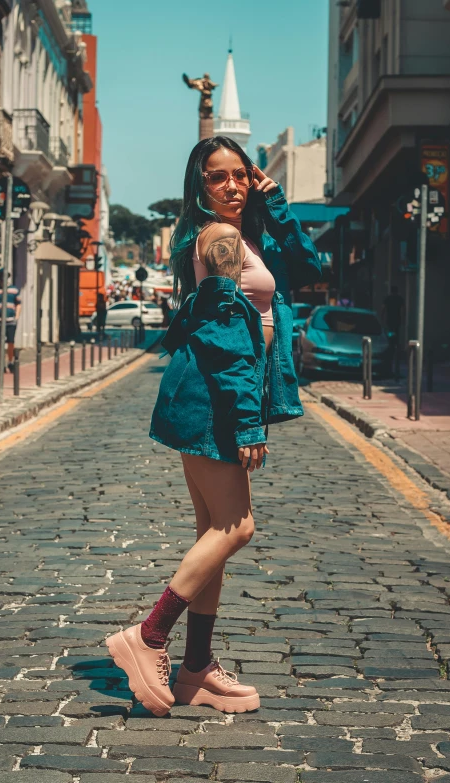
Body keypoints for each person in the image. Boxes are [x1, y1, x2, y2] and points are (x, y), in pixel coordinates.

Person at [106, 136, 321, 716]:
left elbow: (310, 269)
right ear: (198, 186)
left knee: (214, 538)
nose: (230, 186)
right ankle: (148, 637)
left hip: (209, 397)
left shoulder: (245, 233)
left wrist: (275, 205)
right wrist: (248, 423)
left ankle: (196, 671)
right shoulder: (221, 238)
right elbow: (227, 335)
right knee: (237, 527)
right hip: (216, 400)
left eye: (240, 176)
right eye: (215, 177)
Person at [0, 269, 21, 373]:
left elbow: (19, 303)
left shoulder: (14, 290)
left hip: (10, 320)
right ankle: (1, 362)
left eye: (5, 277)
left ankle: (10, 362)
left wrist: (16, 316)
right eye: (1, 277)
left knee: (11, 341)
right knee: (0, 343)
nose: (3, 279)